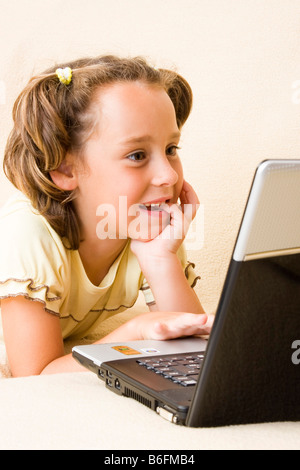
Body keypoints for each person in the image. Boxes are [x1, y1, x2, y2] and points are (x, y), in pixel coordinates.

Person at [0, 55, 212, 377]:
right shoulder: (28, 232)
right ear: (65, 168)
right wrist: (135, 331)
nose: (168, 176)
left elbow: (198, 348)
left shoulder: (147, 228)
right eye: (137, 155)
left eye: (171, 149)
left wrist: (160, 260)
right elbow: (34, 377)